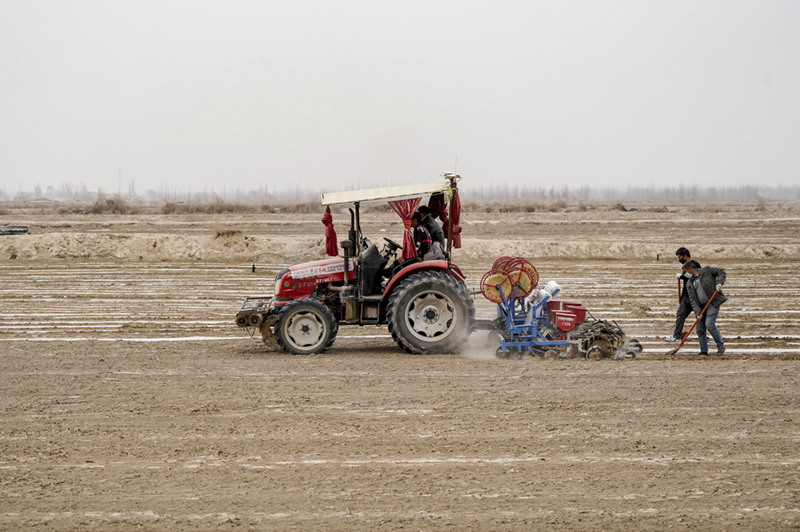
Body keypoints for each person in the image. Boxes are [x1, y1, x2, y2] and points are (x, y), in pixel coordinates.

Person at [681, 261, 727, 355]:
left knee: (709, 324)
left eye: (686, 272)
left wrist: (719, 283)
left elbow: (721, 272)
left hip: (712, 302)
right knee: (700, 329)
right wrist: (697, 312)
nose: (685, 274)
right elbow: (693, 300)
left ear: (690, 269)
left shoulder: (706, 271)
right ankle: (703, 351)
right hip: (701, 307)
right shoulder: (689, 283)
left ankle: (720, 346)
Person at [665, 247, 701, 342]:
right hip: (686, 296)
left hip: (695, 297)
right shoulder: (685, 265)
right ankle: (677, 335)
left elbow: (695, 277)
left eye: (680, 257)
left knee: (700, 317)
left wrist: (682, 276)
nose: (679, 259)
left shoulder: (695, 264)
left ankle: (707, 337)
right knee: (680, 315)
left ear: (685, 256)